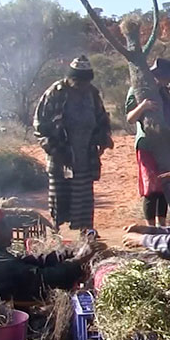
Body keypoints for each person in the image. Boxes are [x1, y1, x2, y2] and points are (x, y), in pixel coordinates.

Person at [0, 198, 100, 310]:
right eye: (3, 225)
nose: (10, 230)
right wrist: (79, 260)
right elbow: (42, 280)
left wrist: (68, 253)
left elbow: (25, 262)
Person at [33, 55, 114, 236]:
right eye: (78, 81)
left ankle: (86, 233)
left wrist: (103, 138)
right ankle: (56, 234)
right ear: (70, 78)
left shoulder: (92, 94)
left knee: (84, 198)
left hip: (86, 157)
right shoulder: (56, 92)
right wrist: (53, 148)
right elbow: (40, 125)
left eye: (85, 81)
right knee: (59, 197)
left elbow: (102, 119)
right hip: (61, 155)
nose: (81, 85)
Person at [125, 57, 170, 227]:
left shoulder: (164, 93)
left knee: (165, 184)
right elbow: (130, 118)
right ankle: (150, 227)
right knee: (150, 186)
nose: (164, 80)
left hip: (167, 143)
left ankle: (162, 226)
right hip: (147, 143)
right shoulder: (139, 90)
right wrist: (143, 107)